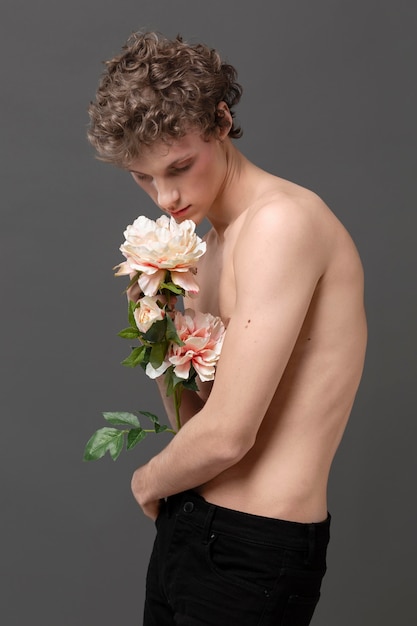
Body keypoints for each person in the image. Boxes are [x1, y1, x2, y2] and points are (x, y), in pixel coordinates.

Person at [87, 31, 367, 626]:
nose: (166, 196)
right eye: (143, 177)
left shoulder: (282, 224)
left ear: (220, 120)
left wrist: (146, 481)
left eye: (180, 166)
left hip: (252, 550)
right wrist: (156, 332)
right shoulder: (211, 250)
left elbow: (228, 437)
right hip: (191, 535)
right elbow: (194, 425)